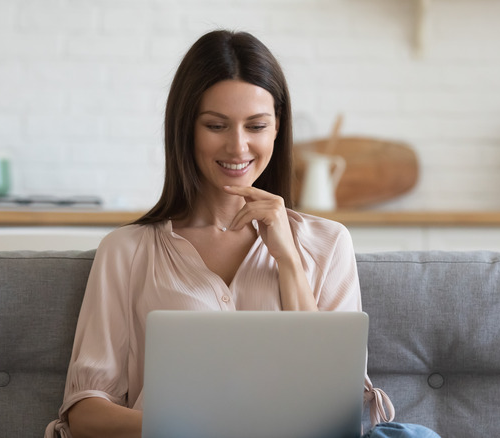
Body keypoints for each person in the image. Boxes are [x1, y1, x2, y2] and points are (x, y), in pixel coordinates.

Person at [45, 29, 438, 438]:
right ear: (186, 129)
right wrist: (191, 430)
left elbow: (336, 404)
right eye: (216, 125)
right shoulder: (126, 251)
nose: (238, 146)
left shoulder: (329, 242)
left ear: (276, 129)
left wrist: (288, 258)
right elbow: (85, 413)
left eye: (256, 126)